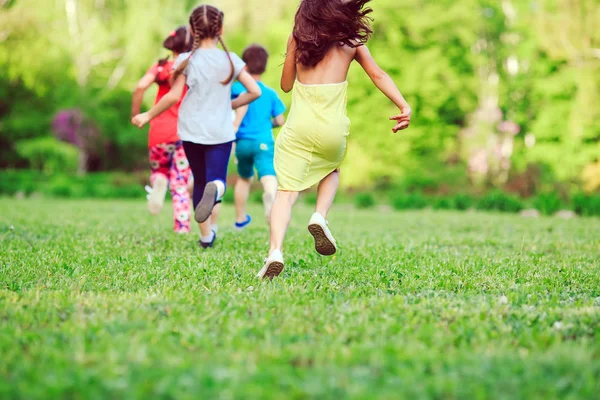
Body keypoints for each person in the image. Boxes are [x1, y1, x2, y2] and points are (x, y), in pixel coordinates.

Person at [258, 0, 412, 278]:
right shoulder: (350, 41)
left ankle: (275, 252)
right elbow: (378, 74)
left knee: (285, 192)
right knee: (332, 168)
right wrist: (403, 106)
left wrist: (294, 52)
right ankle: (319, 215)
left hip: (299, 126)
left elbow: (285, 85)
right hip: (332, 127)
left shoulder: (298, 38)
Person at [132, 5, 262, 248]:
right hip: (220, 131)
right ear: (220, 28)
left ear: (193, 30)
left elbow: (172, 97)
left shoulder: (185, 60)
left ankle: (205, 236)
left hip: (191, 131)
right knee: (215, 180)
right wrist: (231, 104)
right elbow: (255, 91)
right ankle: (218, 188)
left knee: (199, 182)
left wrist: (147, 115)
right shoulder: (231, 60)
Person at [131, 26, 193, 234]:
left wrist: (136, 113)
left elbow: (140, 87)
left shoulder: (160, 67)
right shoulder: (191, 66)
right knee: (180, 183)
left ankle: (158, 182)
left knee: (160, 171)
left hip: (159, 132)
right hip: (185, 133)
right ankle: (182, 227)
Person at [231, 44, 286, 230]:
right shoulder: (269, 93)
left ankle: (240, 219)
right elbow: (280, 120)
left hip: (242, 142)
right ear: (264, 66)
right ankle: (270, 194)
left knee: (244, 178)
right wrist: (266, 124)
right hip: (263, 141)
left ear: (244, 65)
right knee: (268, 175)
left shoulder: (236, 89)